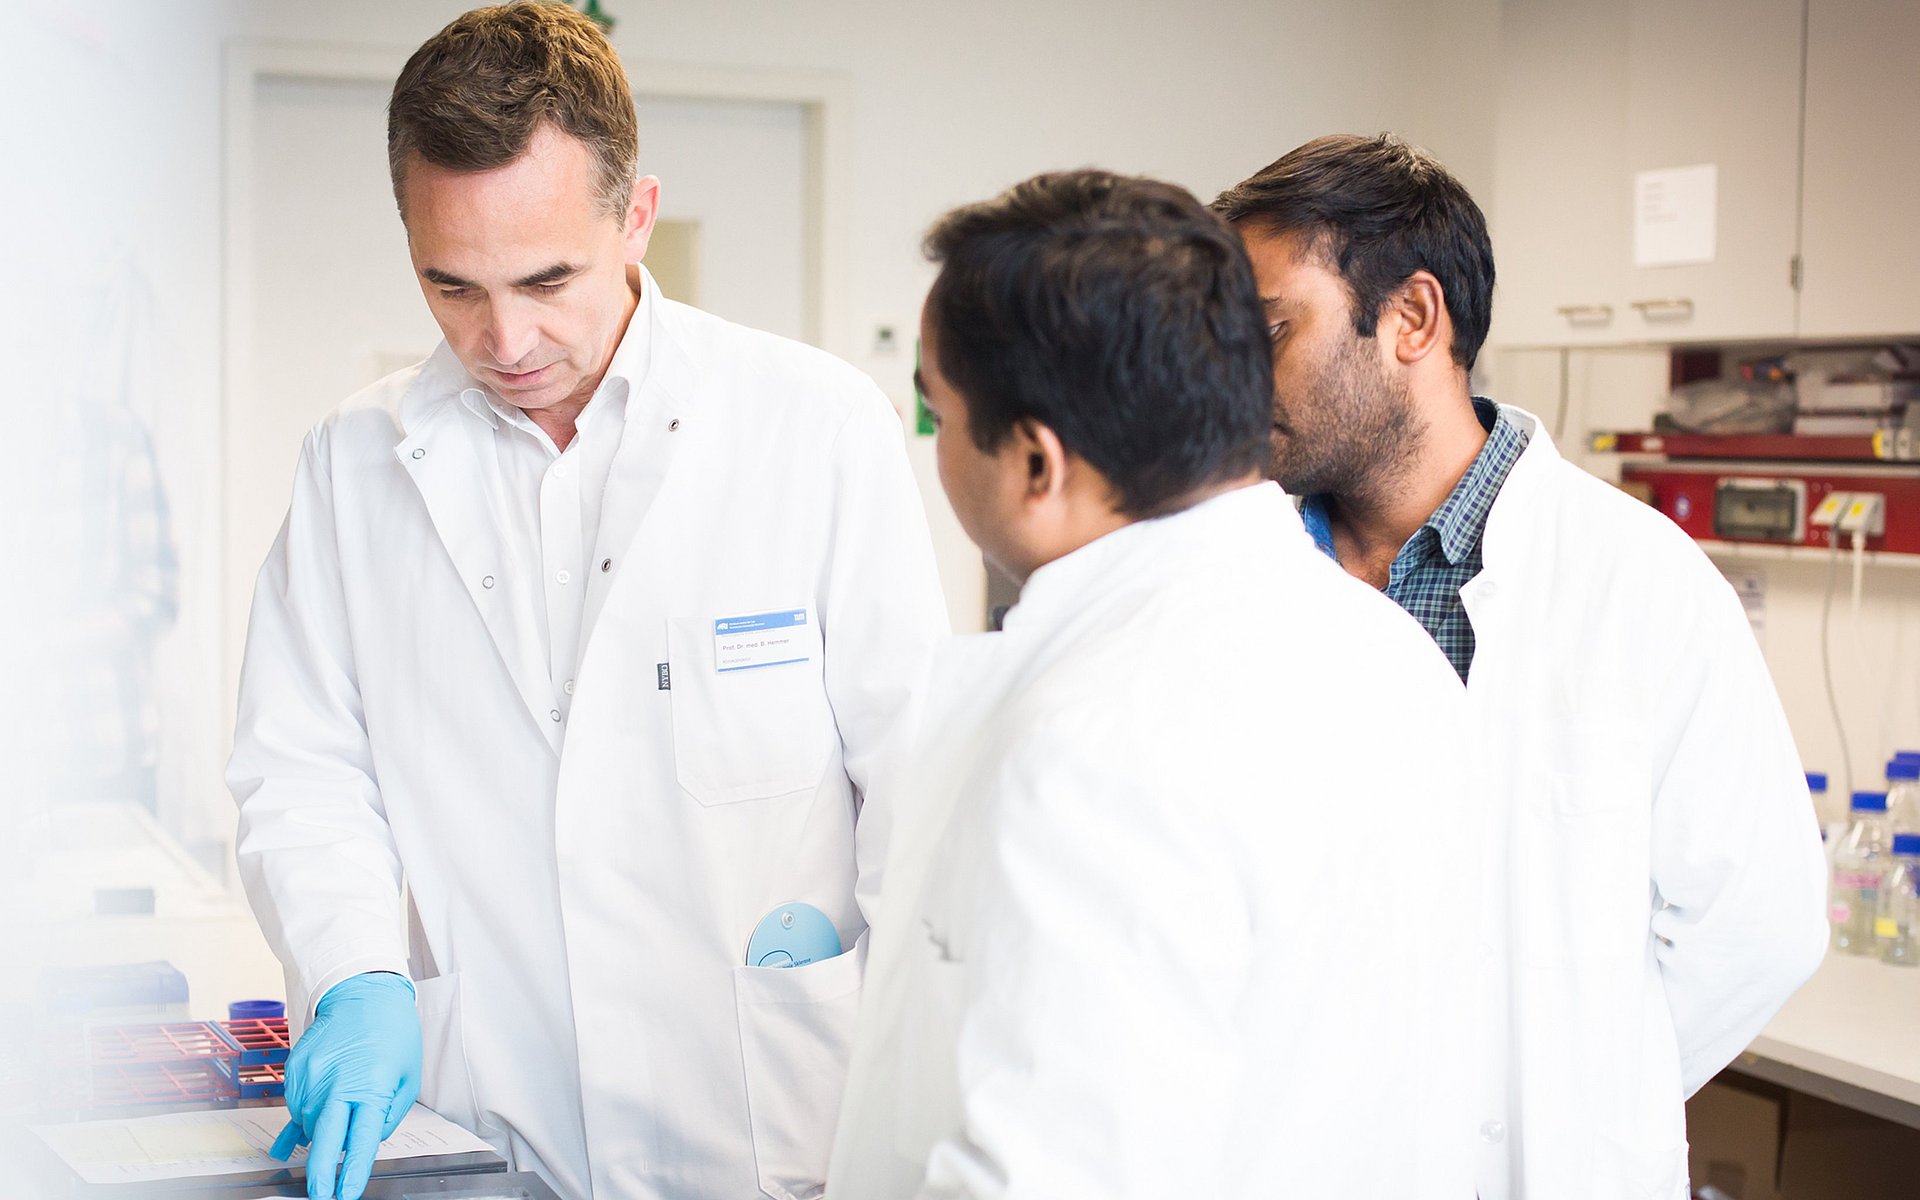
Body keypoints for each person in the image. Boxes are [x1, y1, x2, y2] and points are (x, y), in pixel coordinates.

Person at [228, 5, 946, 1199]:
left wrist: (915, 1089)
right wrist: (355, 974)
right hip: (495, 1125)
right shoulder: (353, 464)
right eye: (449, 285)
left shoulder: (811, 426)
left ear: (636, 216)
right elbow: (299, 763)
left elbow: (915, 785)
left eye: (547, 278)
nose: (503, 339)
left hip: (777, 1133)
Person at [827, 170, 1482, 1200]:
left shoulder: (1095, 734)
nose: (937, 452)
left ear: (1038, 464)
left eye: (941, 415)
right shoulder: (1391, 655)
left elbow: (1050, 1175)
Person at [1213, 133, 1829, 1200]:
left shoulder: (1635, 584)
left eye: (1270, 331)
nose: (1234, 376)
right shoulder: (1233, 571)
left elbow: (1757, 925)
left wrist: (1576, 1098)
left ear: (1411, 318)